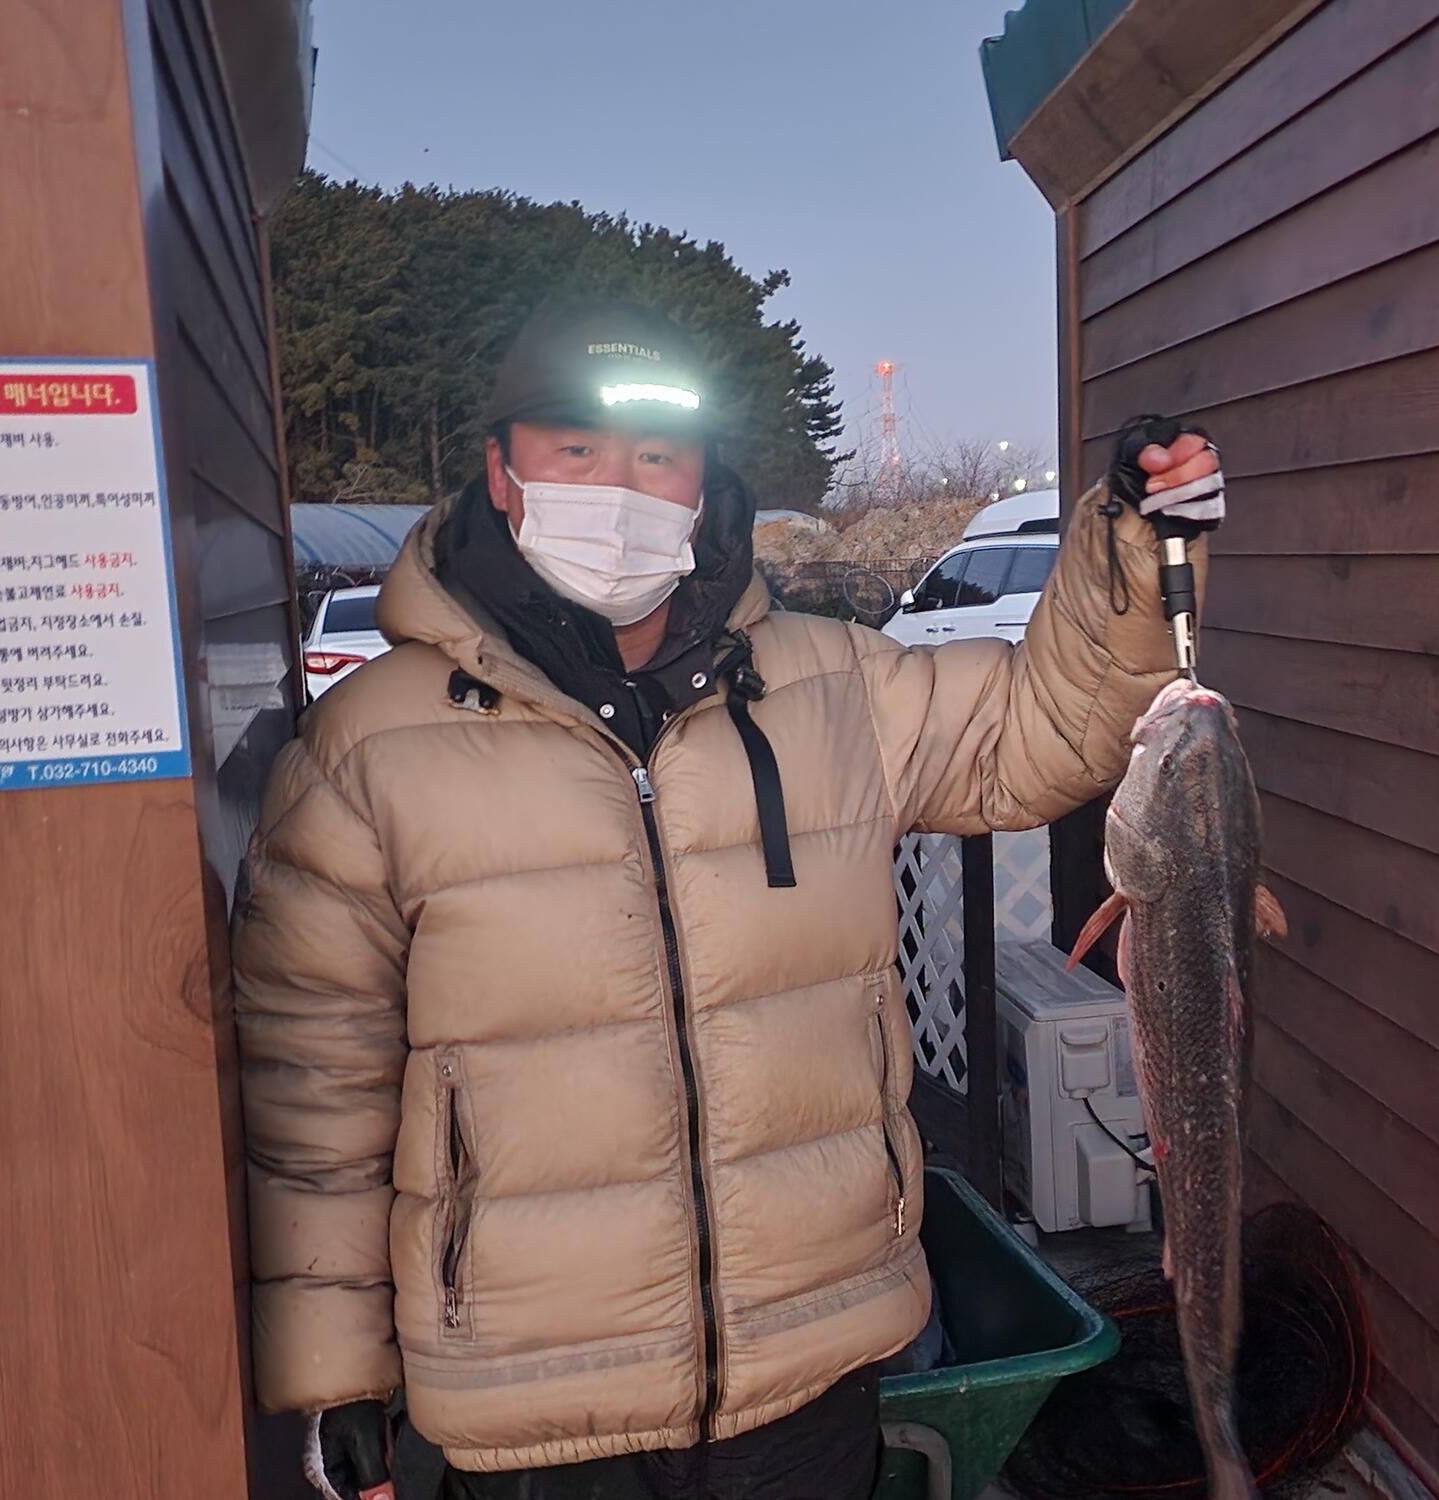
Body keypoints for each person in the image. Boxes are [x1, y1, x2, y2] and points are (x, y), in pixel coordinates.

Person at [233, 298, 1223, 1500]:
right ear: (499, 472)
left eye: (658, 455)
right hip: (528, 1404)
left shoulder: (829, 685)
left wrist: (1132, 548)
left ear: (699, 486)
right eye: (575, 450)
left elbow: (1035, 732)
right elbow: (314, 1082)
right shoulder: (367, 747)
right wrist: (337, 1378)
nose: (620, 489)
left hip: (808, 1363)